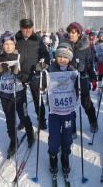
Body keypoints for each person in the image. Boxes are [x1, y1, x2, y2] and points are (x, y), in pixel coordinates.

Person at [0, 31, 35, 157]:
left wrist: (18, 74)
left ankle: (30, 133)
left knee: (24, 116)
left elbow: (28, 77)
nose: (8, 46)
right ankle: (13, 140)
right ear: (2, 45)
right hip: (5, 95)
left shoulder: (21, 57)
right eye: (6, 44)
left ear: (14, 44)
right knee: (10, 120)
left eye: (11, 43)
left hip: (20, 93)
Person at [36, 42, 78, 175]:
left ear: (70, 58)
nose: (62, 59)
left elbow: (82, 87)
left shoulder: (73, 70)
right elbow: (41, 85)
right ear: (55, 57)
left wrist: (82, 73)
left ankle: (65, 156)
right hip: (54, 111)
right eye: (60, 56)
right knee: (54, 138)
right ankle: (53, 156)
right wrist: (39, 71)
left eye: (66, 57)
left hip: (68, 111)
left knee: (67, 137)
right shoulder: (50, 69)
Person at [15, 19, 50, 130]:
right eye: (25, 28)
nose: (27, 30)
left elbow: (47, 56)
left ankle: (42, 119)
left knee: (37, 98)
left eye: (29, 28)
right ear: (21, 28)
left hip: (35, 74)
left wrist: (43, 64)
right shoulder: (16, 40)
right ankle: (23, 120)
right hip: (20, 74)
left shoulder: (38, 40)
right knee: (21, 100)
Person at [66, 22, 98, 135]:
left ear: (79, 34)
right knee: (70, 105)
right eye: (69, 32)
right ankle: (72, 127)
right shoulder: (66, 45)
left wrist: (93, 78)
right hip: (68, 79)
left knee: (86, 102)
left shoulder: (85, 47)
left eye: (73, 32)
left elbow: (90, 64)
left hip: (82, 78)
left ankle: (93, 121)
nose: (71, 34)